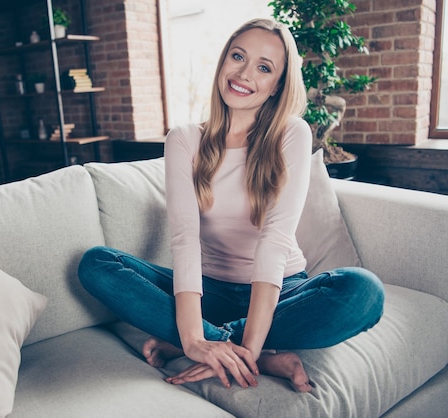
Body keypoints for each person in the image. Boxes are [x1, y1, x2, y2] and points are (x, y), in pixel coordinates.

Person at [78, 18, 384, 393]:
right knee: (98, 264)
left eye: (264, 67)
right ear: (223, 61)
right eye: (238, 56)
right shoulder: (185, 139)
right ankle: (221, 344)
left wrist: (249, 350)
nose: (244, 73)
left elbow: (275, 239)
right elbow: (185, 238)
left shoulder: (292, 134)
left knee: (363, 292)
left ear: (276, 87)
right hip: (210, 292)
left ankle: (225, 342)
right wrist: (193, 338)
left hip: (281, 289)